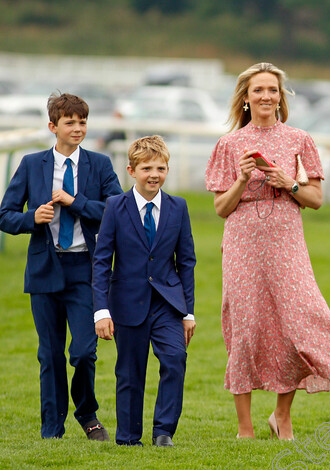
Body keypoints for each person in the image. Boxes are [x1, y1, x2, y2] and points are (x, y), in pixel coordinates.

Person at [205, 62, 330, 440]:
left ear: (281, 97)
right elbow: (222, 209)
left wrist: (289, 183)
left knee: (295, 321)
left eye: (273, 90)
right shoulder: (229, 144)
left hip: (287, 238)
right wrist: (241, 179)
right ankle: (244, 427)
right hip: (242, 240)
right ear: (245, 97)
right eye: (258, 90)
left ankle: (281, 415)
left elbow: (316, 199)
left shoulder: (298, 139)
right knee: (246, 325)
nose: (266, 96)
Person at [0, 93, 122, 440]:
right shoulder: (30, 164)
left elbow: (116, 211)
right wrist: (31, 218)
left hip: (86, 270)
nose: (78, 128)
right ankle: (52, 427)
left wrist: (76, 202)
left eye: (82, 121)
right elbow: (5, 215)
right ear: (53, 126)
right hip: (44, 270)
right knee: (50, 354)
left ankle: (87, 414)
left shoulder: (99, 165)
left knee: (84, 351)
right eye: (70, 122)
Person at [91, 136, 196, 447]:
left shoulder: (178, 207)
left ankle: (163, 432)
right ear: (131, 170)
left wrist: (188, 311)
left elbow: (186, 262)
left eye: (161, 168)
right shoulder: (115, 206)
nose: (154, 174)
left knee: (175, 358)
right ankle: (128, 437)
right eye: (147, 167)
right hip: (126, 302)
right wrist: (101, 310)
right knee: (129, 371)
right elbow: (101, 261)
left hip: (168, 303)